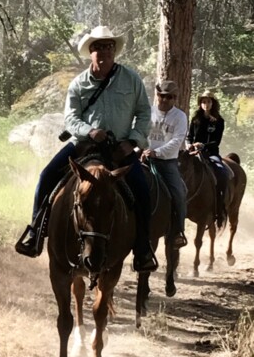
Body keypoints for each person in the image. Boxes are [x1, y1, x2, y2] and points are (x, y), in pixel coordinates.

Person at [15, 25, 158, 273]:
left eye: (109, 47)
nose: (105, 52)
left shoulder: (131, 79)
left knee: (143, 191)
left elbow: (144, 112)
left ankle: (142, 248)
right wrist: (89, 131)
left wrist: (133, 141)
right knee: (46, 177)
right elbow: (70, 118)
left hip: (119, 149)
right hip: (83, 146)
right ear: (90, 51)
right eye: (99, 47)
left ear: (115, 50)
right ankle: (36, 232)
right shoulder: (78, 84)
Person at [141, 80, 188, 249]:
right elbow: (138, 130)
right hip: (143, 157)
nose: (165, 99)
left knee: (180, 192)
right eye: (162, 96)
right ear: (157, 95)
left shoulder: (180, 117)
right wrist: (144, 149)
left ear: (175, 98)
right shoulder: (148, 112)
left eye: (169, 97)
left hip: (167, 162)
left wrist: (157, 152)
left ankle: (177, 232)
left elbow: (177, 140)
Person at [185, 90, 227, 227]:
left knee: (222, 173)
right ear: (200, 104)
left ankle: (219, 208)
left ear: (212, 103)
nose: (206, 104)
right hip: (193, 152)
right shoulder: (195, 118)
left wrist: (203, 145)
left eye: (208, 101)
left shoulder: (219, 121)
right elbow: (189, 136)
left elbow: (217, 141)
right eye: (203, 102)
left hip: (211, 153)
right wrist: (189, 145)